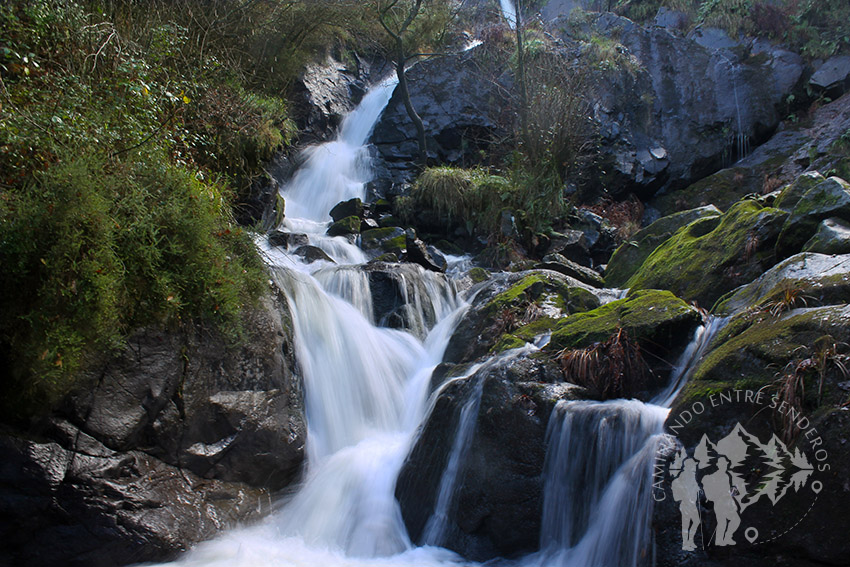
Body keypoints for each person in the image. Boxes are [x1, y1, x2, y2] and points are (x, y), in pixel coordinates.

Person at [702, 456, 741, 546]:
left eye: (725, 464)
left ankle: (727, 537)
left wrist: (733, 491)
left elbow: (729, 490)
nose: (724, 466)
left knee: (735, 520)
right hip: (719, 504)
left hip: (727, 503)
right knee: (721, 523)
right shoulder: (714, 477)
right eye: (722, 464)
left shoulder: (727, 476)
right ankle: (717, 541)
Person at [671, 457, 701, 550]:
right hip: (686, 504)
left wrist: (697, 490)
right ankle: (685, 544)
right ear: (688, 467)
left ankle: (690, 541)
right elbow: (679, 488)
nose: (694, 468)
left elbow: (695, 488)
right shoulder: (683, 476)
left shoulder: (692, 476)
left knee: (696, 521)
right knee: (686, 524)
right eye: (693, 466)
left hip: (692, 504)